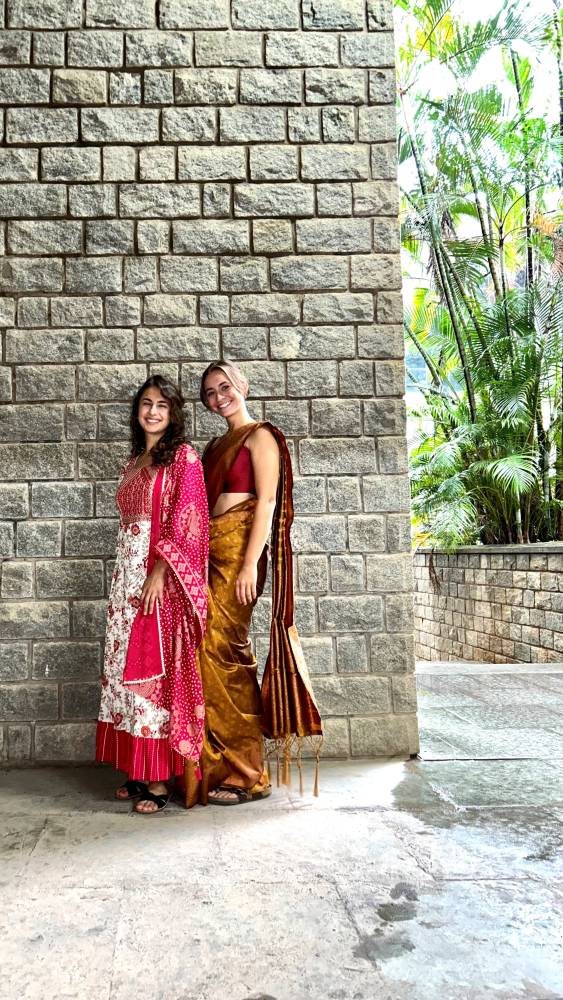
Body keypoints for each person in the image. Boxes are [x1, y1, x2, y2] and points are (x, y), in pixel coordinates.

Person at [186, 360, 322, 808]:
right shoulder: (214, 445)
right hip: (208, 552)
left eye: (224, 386)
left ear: (241, 385)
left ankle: (249, 773)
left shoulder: (261, 435)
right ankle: (218, 765)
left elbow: (265, 502)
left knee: (224, 649)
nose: (218, 396)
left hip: (239, 553)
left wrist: (248, 566)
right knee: (202, 650)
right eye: (210, 392)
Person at [96, 375, 209, 814]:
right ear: (137, 411)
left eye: (163, 404)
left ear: (174, 412)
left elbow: (191, 518)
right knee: (124, 672)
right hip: (125, 579)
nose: (153, 411)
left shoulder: (182, 458)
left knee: (152, 675)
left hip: (155, 579)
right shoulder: (133, 461)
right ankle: (137, 771)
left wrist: (161, 571)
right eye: (146, 403)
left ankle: (160, 784)